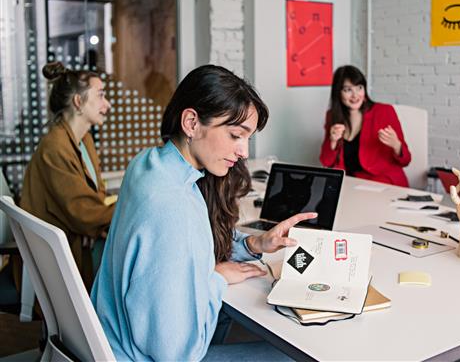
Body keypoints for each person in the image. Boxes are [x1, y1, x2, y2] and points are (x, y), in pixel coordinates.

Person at [92, 65, 315, 361]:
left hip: (108, 343)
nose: (244, 151)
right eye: (236, 135)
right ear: (192, 123)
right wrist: (215, 278)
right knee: (299, 354)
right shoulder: (174, 206)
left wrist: (253, 245)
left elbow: (190, 246)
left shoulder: (148, 164)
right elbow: (173, 352)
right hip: (146, 356)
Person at [20, 61, 114, 289]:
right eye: (100, 96)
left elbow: (91, 201)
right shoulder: (55, 147)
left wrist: (91, 224)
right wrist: (90, 223)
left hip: (74, 239)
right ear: (78, 102)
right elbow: (84, 213)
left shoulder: (85, 139)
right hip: (56, 256)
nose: (107, 105)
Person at [319, 65, 412, 187]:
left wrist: (396, 145)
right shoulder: (332, 116)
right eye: (348, 90)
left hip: (383, 183)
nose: (355, 95)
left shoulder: (384, 111)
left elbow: (406, 160)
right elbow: (326, 161)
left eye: (359, 88)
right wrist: (332, 141)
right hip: (350, 184)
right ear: (338, 92)